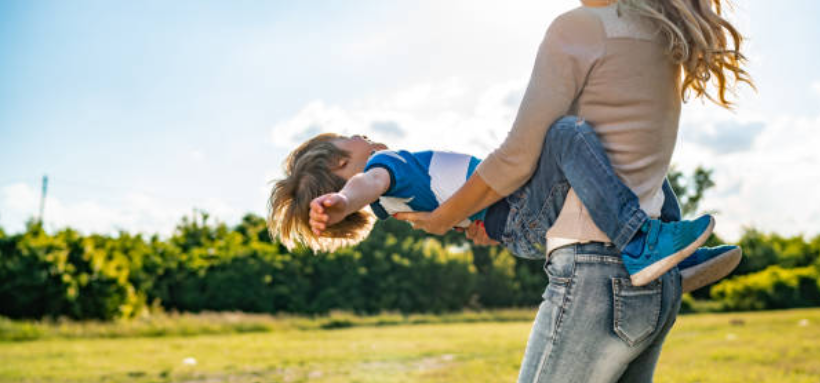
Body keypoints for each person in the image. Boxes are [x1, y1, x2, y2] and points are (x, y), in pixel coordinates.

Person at [395, 0, 754, 382]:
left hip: (593, 273)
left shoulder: (579, 28)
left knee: (565, 133)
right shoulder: (665, 36)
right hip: (654, 288)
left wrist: (444, 218)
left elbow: (518, 157)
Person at [268, 126, 741, 292]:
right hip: (525, 214)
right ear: (341, 161)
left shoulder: (398, 203)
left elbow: (455, 215)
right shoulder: (383, 167)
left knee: (621, 165)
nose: (363, 137)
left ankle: (675, 258)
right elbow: (366, 182)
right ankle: (643, 243)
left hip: (518, 227)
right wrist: (345, 200)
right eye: (350, 136)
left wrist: (481, 228)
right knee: (567, 134)